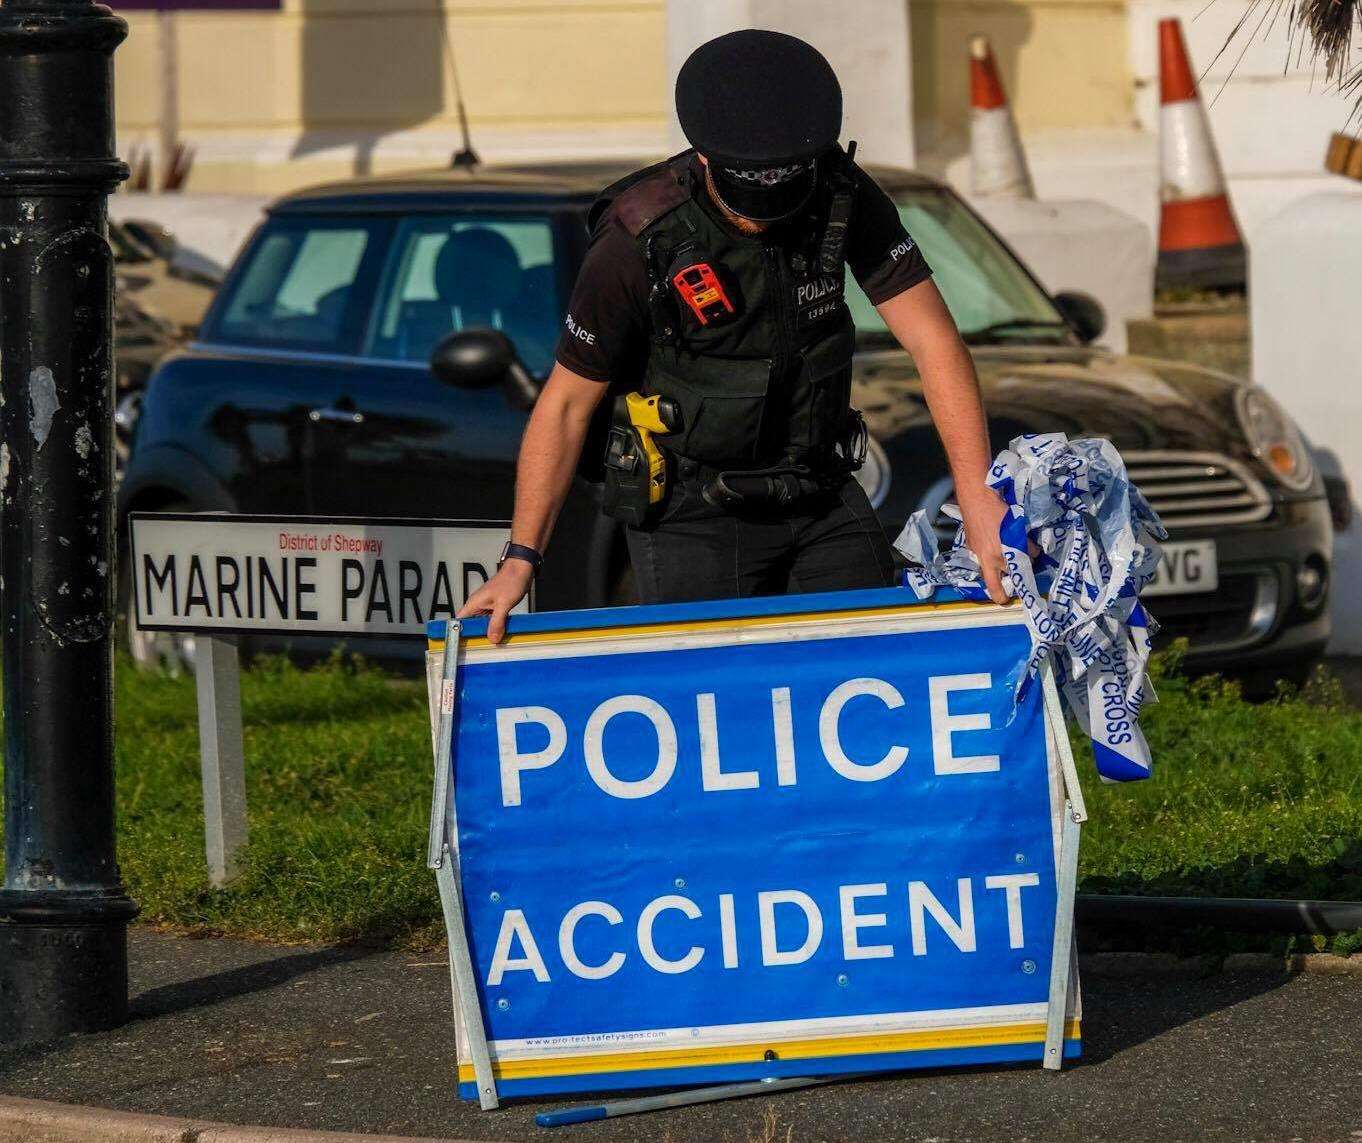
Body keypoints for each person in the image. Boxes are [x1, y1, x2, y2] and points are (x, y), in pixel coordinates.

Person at [460, 29, 1008, 644]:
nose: (762, 215)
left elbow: (935, 343)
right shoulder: (638, 238)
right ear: (703, 158)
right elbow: (563, 406)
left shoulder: (841, 194)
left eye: (782, 193)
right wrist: (521, 559)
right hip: (690, 515)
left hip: (820, 490)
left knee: (874, 674)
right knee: (713, 709)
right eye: (745, 195)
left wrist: (977, 495)